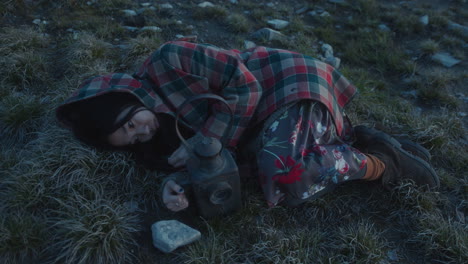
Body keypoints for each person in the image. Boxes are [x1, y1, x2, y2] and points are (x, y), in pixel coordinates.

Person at [56, 38, 439, 212]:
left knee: (284, 173)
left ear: (124, 102)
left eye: (130, 125)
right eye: (130, 140)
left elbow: (245, 84)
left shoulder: (168, 59)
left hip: (285, 85)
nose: (142, 134)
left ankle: (383, 163)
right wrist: (178, 186)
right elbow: (214, 162)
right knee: (278, 190)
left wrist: (204, 141)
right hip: (258, 128)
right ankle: (353, 140)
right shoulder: (154, 141)